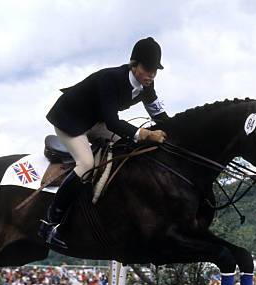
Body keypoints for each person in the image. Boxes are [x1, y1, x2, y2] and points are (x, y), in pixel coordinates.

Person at [40, 37, 170, 249]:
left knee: (131, 148)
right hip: (71, 120)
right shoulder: (110, 79)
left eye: (155, 70)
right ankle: (49, 223)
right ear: (134, 64)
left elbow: (157, 111)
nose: (152, 74)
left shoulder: (147, 83)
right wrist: (144, 133)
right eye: (148, 68)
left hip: (95, 120)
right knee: (86, 164)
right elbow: (112, 121)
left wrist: (173, 129)